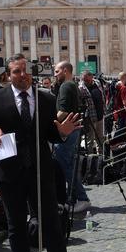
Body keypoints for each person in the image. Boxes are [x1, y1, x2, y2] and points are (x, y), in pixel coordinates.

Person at [0, 55, 82, 252]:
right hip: (9, 171)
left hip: (40, 170)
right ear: (8, 75)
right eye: (17, 71)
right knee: (16, 226)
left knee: (52, 225)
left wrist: (63, 133)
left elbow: (50, 134)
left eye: (26, 70)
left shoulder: (45, 98)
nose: (23, 75)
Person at [52, 61, 90, 213]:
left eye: (57, 71)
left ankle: (82, 198)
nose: (55, 74)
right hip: (73, 129)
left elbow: (64, 111)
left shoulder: (66, 86)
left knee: (64, 163)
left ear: (65, 70)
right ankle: (73, 197)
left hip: (68, 130)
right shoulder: (72, 85)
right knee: (67, 163)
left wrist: (50, 123)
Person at [80, 70, 105, 150]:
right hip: (90, 118)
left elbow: (102, 96)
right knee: (89, 139)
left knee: (100, 138)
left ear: (92, 77)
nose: (86, 82)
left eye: (88, 80)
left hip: (100, 116)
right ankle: (90, 159)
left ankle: (101, 158)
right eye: (85, 80)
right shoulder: (81, 88)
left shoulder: (97, 83)